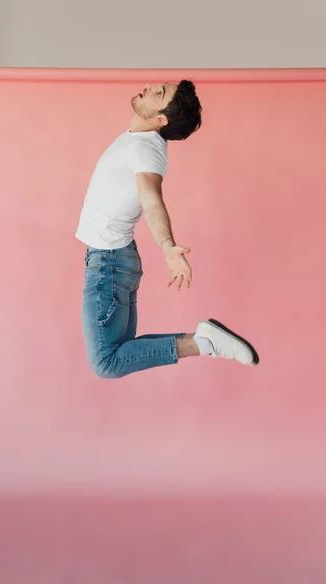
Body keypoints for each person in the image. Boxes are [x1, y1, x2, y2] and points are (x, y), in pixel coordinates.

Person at [75, 80, 259, 378]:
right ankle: (203, 339)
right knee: (121, 348)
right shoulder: (139, 137)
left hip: (109, 263)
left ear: (161, 118)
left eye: (158, 93)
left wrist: (167, 247)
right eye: (158, 86)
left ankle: (203, 343)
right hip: (113, 259)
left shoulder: (146, 149)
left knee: (106, 362)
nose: (149, 86)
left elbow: (152, 200)